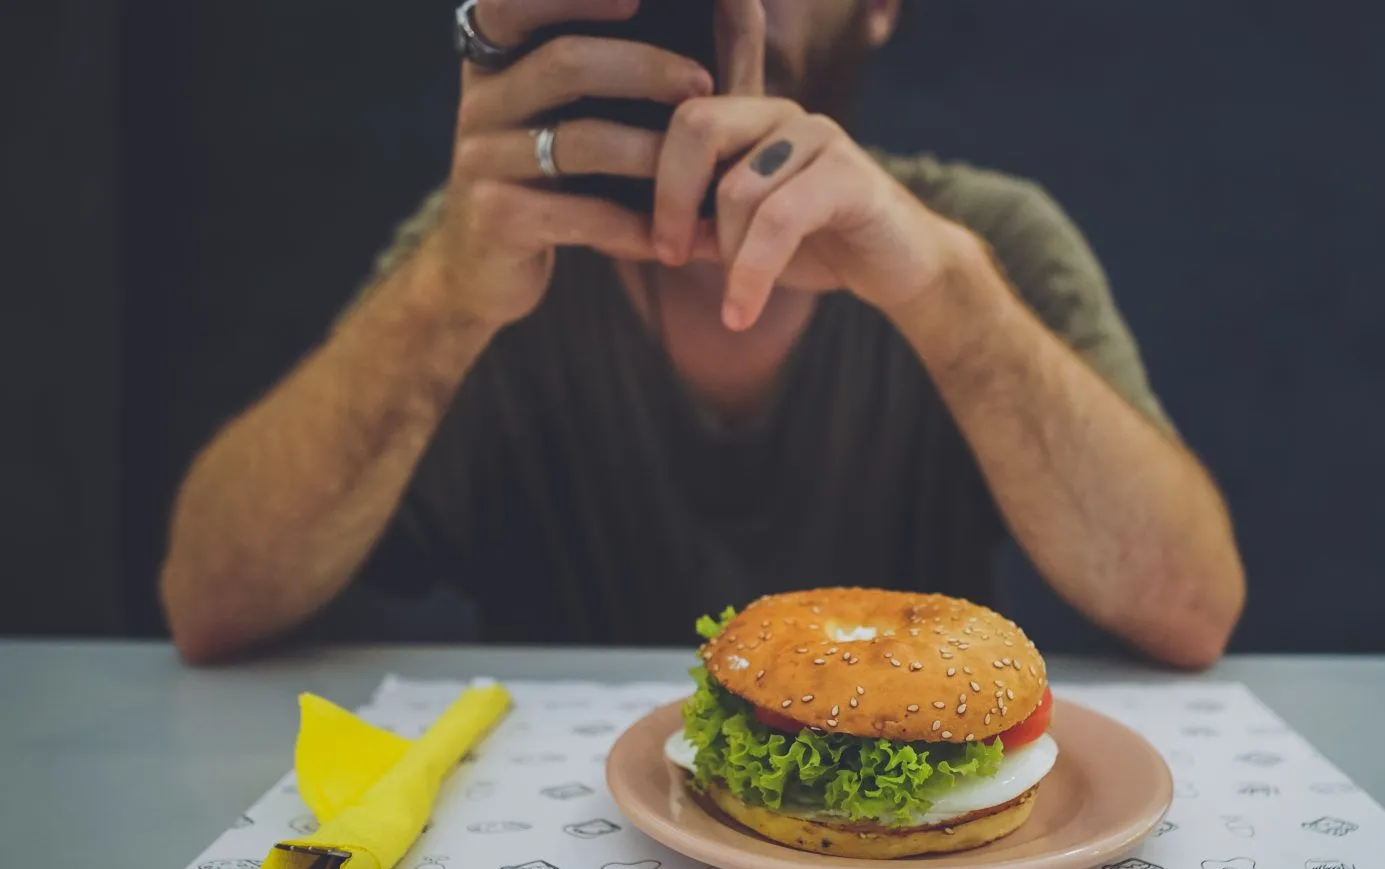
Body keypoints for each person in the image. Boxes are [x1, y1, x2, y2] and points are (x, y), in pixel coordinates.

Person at [159, 0, 1246, 667]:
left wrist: (948, 297)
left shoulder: (984, 242)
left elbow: (1191, 607)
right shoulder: (498, 253)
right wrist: (442, 299)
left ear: (878, 4)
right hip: (577, 865)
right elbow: (210, 600)